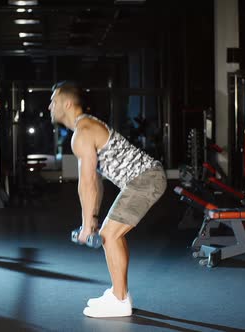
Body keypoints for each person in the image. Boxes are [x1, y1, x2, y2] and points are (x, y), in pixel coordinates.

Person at [48, 81, 167, 318]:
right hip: (144, 179)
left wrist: (87, 224)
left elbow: (88, 183)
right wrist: (91, 220)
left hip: (145, 180)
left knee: (109, 235)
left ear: (68, 104)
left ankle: (120, 301)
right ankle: (118, 292)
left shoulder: (83, 133)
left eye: (54, 101)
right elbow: (96, 183)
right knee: (111, 233)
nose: (49, 105)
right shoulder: (84, 128)